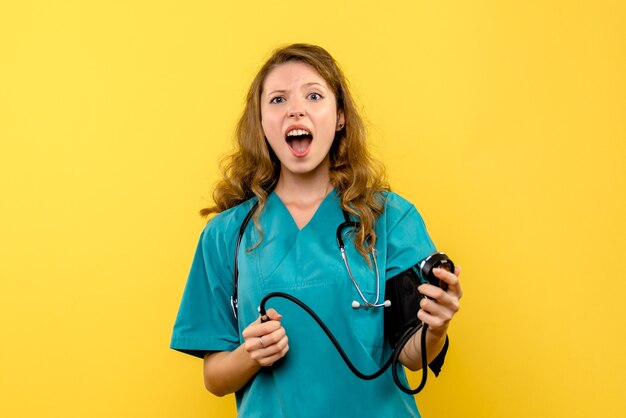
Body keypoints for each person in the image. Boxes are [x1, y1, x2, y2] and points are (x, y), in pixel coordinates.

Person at [170, 43, 462, 418]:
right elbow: (214, 377)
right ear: (260, 122)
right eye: (277, 99)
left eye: (313, 95)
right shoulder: (225, 235)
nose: (296, 109)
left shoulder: (389, 217)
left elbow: (412, 354)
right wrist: (251, 354)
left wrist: (436, 327)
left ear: (339, 116)